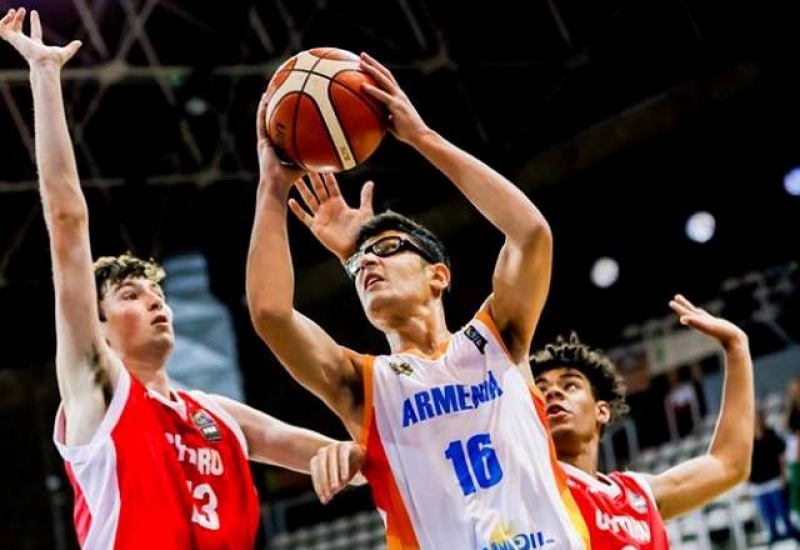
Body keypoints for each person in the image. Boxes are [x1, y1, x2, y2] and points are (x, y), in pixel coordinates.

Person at [0, 8, 361, 549]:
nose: (153, 301)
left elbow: (339, 458)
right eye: (129, 295)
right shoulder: (96, 390)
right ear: (96, 331)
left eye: (156, 292)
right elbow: (68, 223)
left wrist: (351, 455)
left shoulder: (214, 415)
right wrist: (45, 75)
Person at [248, 52, 591, 548]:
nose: (365, 264)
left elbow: (531, 233)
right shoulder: (365, 386)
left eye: (385, 250)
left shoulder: (498, 341)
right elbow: (271, 314)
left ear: (438, 275)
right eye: (358, 263)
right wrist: (273, 188)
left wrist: (422, 138)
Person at [528, 295, 754, 548]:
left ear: (601, 412)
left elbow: (729, 464)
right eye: (541, 390)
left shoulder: (638, 492)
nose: (552, 393)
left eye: (570, 385)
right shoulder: (529, 489)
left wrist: (736, 347)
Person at [749, 407, 798, 545]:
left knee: (783, 512)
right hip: (758, 485)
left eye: (757, 418)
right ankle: (774, 540)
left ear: (761, 419)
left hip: (774, 481)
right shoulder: (747, 441)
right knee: (768, 516)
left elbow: (781, 456)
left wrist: (783, 476)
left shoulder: (771, 435)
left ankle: (793, 537)